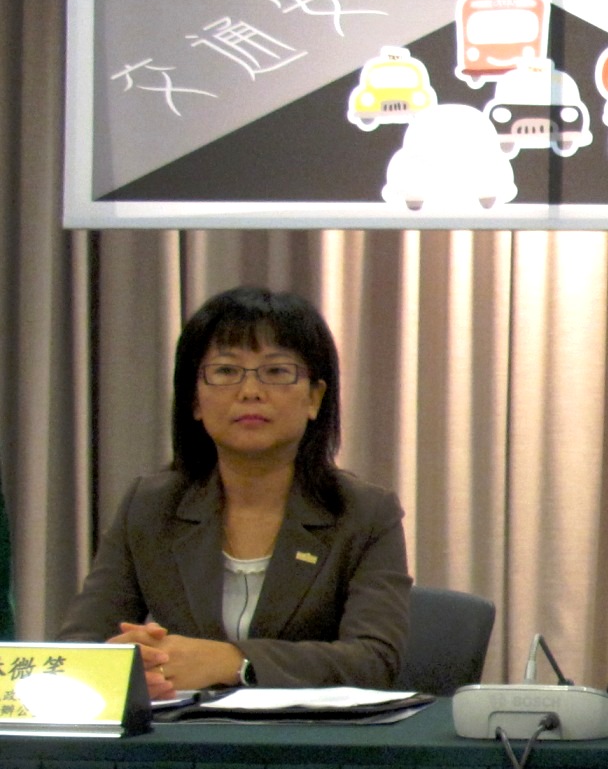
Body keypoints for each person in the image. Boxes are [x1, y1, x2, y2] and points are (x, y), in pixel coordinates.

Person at [59, 287, 411, 693]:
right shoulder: (150, 506)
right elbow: (79, 647)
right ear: (194, 399)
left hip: (312, 733)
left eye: (276, 371)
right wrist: (127, 668)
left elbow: (373, 661)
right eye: (226, 371)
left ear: (314, 398)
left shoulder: (365, 513)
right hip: (183, 730)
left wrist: (235, 662)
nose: (250, 391)